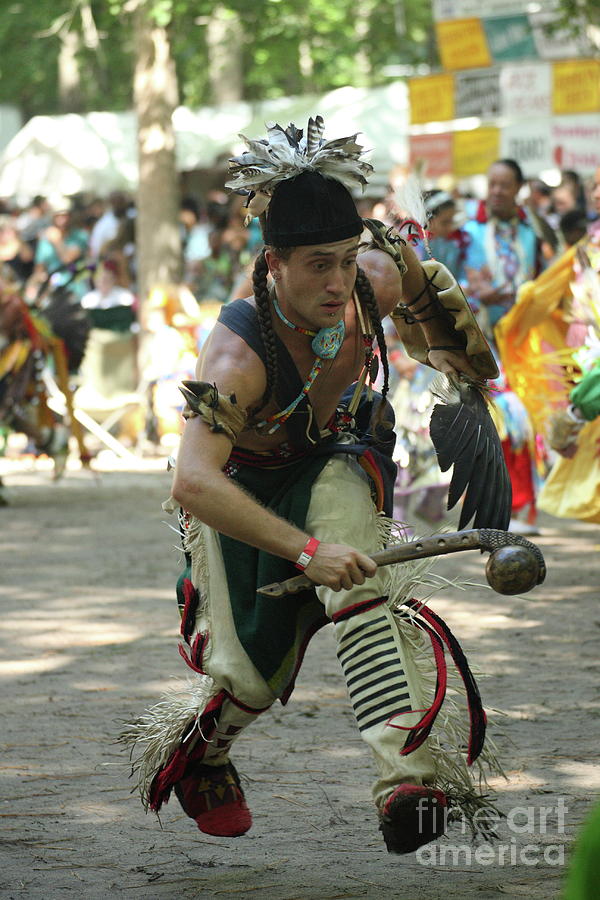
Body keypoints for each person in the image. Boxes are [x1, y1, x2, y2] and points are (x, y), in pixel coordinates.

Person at [123, 117, 504, 854]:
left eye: (345, 260)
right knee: (248, 680)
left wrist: (465, 387)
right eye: (317, 266)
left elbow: (428, 292)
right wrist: (304, 553)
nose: (338, 284)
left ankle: (408, 783)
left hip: (333, 460)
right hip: (240, 495)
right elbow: (194, 481)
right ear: (274, 263)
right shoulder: (237, 355)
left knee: (361, 592)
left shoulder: (374, 280)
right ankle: (204, 753)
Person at [462, 159, 547, 532]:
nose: (496, 191)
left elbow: (543, 282)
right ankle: (493, 507)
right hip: (478, 341)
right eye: (491, 184)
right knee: (492, 422)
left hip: (524, 344)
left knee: (521, 421)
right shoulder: (468, 233)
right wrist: (477, 295)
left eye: (504, 185)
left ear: (518, 189)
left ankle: (519, 506)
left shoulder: (533, 233)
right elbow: (443, 281)